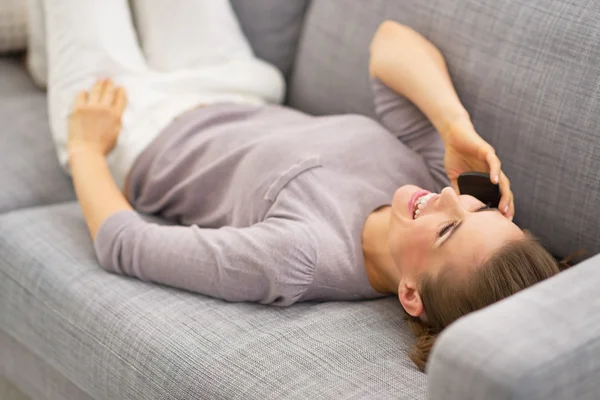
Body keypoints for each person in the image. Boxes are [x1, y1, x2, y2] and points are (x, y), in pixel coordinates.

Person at [44, 0, 562, 371]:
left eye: (449, 231)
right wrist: (453, 126)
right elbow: (390, 42)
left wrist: (87, 147)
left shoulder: (297, 256)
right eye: (480, 209)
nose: (450, 197)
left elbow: (123, 245)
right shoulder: (429, 181)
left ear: (410, 294)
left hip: (131, 123)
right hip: (236, 83)